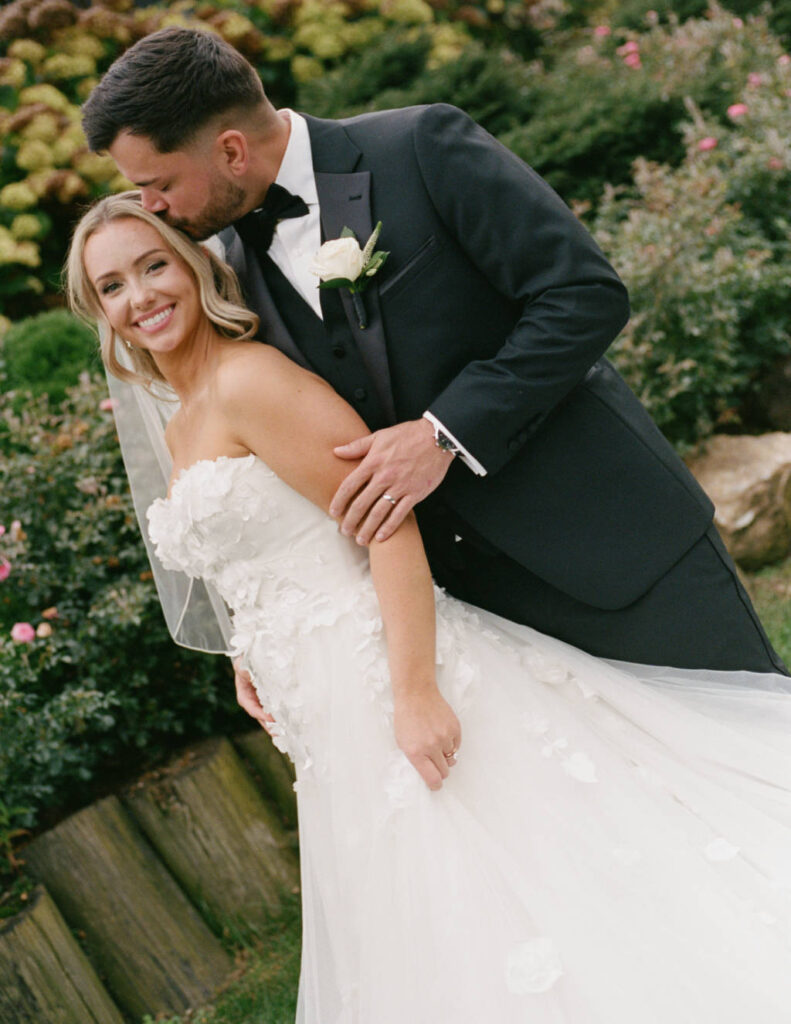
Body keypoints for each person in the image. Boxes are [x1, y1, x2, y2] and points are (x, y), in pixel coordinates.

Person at [67, 192, 791, 1023]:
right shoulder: (182, 417)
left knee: (516, 878)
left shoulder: (250, 381)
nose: (141, 296)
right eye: (114, 284)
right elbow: (256, 554)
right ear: (101, 310)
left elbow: (386, 527)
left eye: (153, 265)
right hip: (320, 703)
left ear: (193, 267)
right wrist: (245, 652)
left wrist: (413, 694)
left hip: (387, 667)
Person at [80, 27, 790, 688]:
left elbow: (582, 294)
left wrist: (443, 434)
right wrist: (264, 640)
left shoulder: (419, 147)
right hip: (472, 618)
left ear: (231, 151)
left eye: (160, 183)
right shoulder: (228, 271)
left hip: (615, 547)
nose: (152, 206)